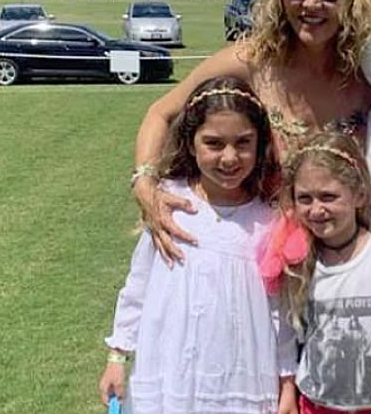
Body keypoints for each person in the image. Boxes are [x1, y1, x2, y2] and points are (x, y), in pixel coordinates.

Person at [131, 0, 371, 266]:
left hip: (354, 264)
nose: (311, 3)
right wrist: (145, 183)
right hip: (264, 264)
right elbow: (160, 113)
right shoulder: (251, 61)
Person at [98, 76, 296, 414]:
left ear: (260, 143)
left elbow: (281, 312)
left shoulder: (270, 219)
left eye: (243, 142)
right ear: (191, 143)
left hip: (241, 382)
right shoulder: (169, 205)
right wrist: (117, 357)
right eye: (214, 143)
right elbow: (138, 288)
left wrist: (287, 384)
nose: (230, 158)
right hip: (171, 377)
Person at [270, 132, 371, 414]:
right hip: (314, 406)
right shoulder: (298, 261)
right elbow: (285, 335)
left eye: (328, 197)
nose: (316, 209)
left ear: (358, 195)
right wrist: (288, 393)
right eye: (305, 199)